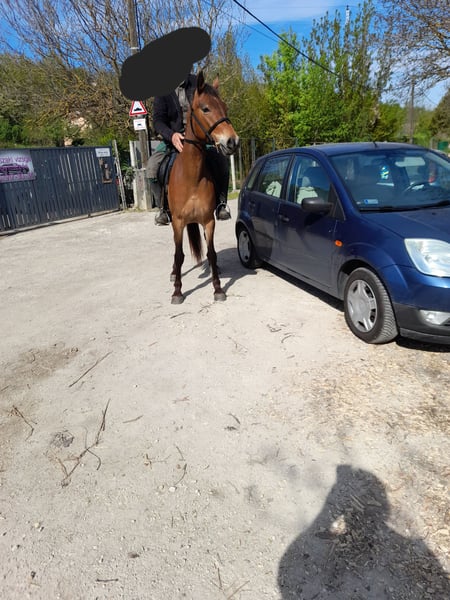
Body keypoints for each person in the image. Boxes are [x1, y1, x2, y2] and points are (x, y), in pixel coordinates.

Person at [146, 71, 231, 225]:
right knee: (152, 168)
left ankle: (221, 204)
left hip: (200, 138)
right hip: (173, 140)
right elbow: (158, 121)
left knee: (222, 162)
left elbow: (212, 104)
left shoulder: (197, 83)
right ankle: (163, 208)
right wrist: (172, 135)